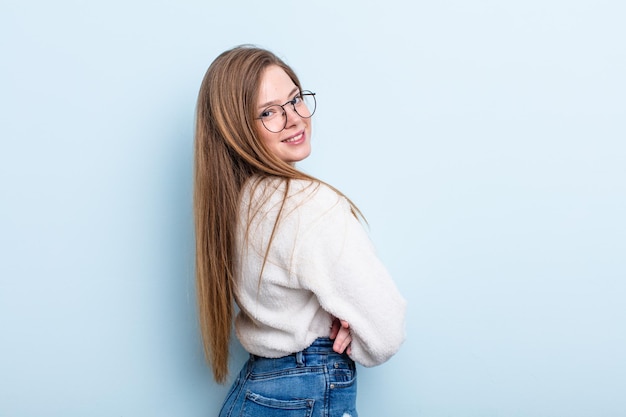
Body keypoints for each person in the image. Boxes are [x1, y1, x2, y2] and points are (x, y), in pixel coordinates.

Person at [193, 44, 406, 417]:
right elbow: (385, 333)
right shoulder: (311, 205)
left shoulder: (233, 204)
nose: (294, 118)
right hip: (306, 393)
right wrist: (351, 327)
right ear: (237, 129)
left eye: (295, 100)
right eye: (268, 112)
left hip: (253, 391)